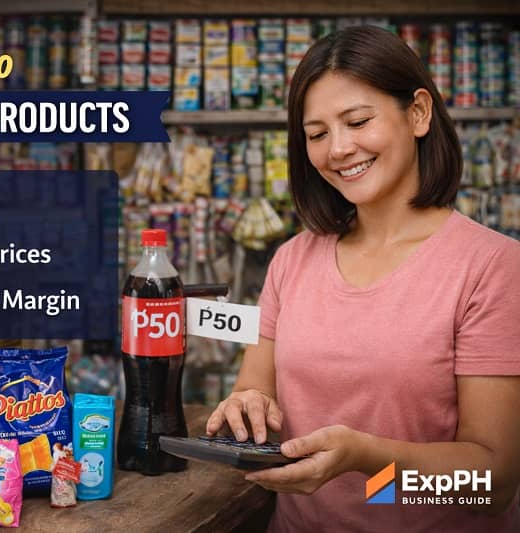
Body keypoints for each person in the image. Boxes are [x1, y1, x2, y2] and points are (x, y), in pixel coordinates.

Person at [206, 26, 520, 532]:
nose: (338, 149)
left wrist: (367, 462)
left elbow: (494, 483)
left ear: (418, 113)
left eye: (357, 121)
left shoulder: (491, 267)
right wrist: (247, 407)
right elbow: (254, 392)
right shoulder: (291, 260)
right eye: (317, 134)